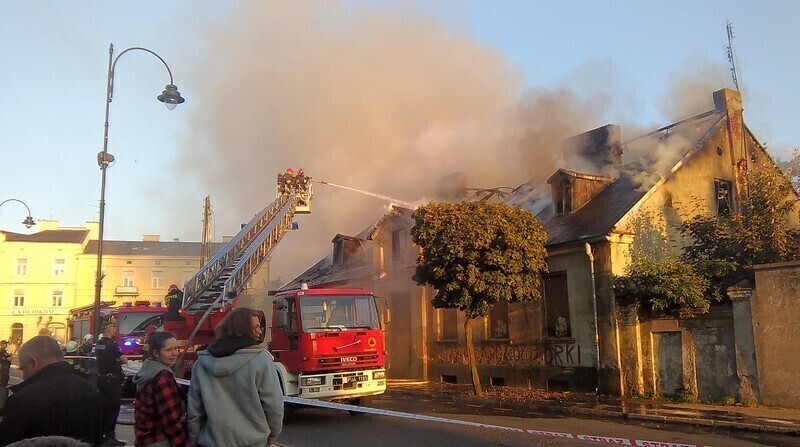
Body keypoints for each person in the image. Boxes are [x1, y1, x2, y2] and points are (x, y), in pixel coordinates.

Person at [188, 307, 283, 447]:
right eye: (256, 327)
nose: (260, 331)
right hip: (252, 442)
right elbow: (274, 405)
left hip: (211, 442)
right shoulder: (261, 361)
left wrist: (194, 438)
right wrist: (273, 433)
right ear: (242, 329)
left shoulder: (200, 364)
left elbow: (194, 409)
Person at [0, 336, 103, 446]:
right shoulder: (91, 390)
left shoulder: (25, 398)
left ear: (33, 363)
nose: (24, 376)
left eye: (24, 369)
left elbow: (9, 441)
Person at [133, 331, 189, 447]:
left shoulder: (147, 371)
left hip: (144, 438)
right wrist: (184, 443)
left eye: (176, 348)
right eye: (168, 350)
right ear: (156, 353)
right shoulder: (163, 376)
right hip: (159, 439)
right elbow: (170, 418)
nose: (174, 354)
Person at [94, 323, 128, 446]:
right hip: (112, 381)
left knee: (103, 407)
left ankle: (101, 435)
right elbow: (124, 360)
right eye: (114, 329)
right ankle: (110, 436)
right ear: (110, 331)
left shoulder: (98, 344)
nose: (115, 332)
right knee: (113, 408)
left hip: (101, 379)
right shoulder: (112, 345)